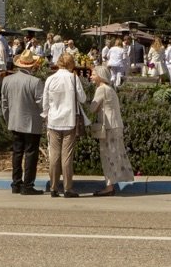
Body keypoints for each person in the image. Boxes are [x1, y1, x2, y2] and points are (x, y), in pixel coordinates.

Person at [40, 52, 87, 198]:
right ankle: (68, 188)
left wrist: (46, 114)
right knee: (67, 156)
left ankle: (53, 186)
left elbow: (45, 102)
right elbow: (83, 98)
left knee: (54, 155)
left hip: (54, 120)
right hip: (69, 120)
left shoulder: (50, 79)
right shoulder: (73, 78)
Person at [0, 51, 46, 195]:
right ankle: (28, 185)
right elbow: (42, 103)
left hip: (14, 121)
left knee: (17, 153)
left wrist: (8, 119)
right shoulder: (35, 82)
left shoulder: (7, 80)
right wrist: (45, 118)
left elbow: (4, 104)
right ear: (32, 66)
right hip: (31, 123)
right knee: (31, 153)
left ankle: (16, 183)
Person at [87, 68, 134, 196]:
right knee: (114, 155)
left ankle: (109, 187)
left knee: (107, 156)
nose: (91, 76)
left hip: (108, 127)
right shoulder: (110, 89)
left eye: (94, 74)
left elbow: (92, 108)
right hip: (116, 125)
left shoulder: (101, 89)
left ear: (100, 76)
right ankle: (111, 184)